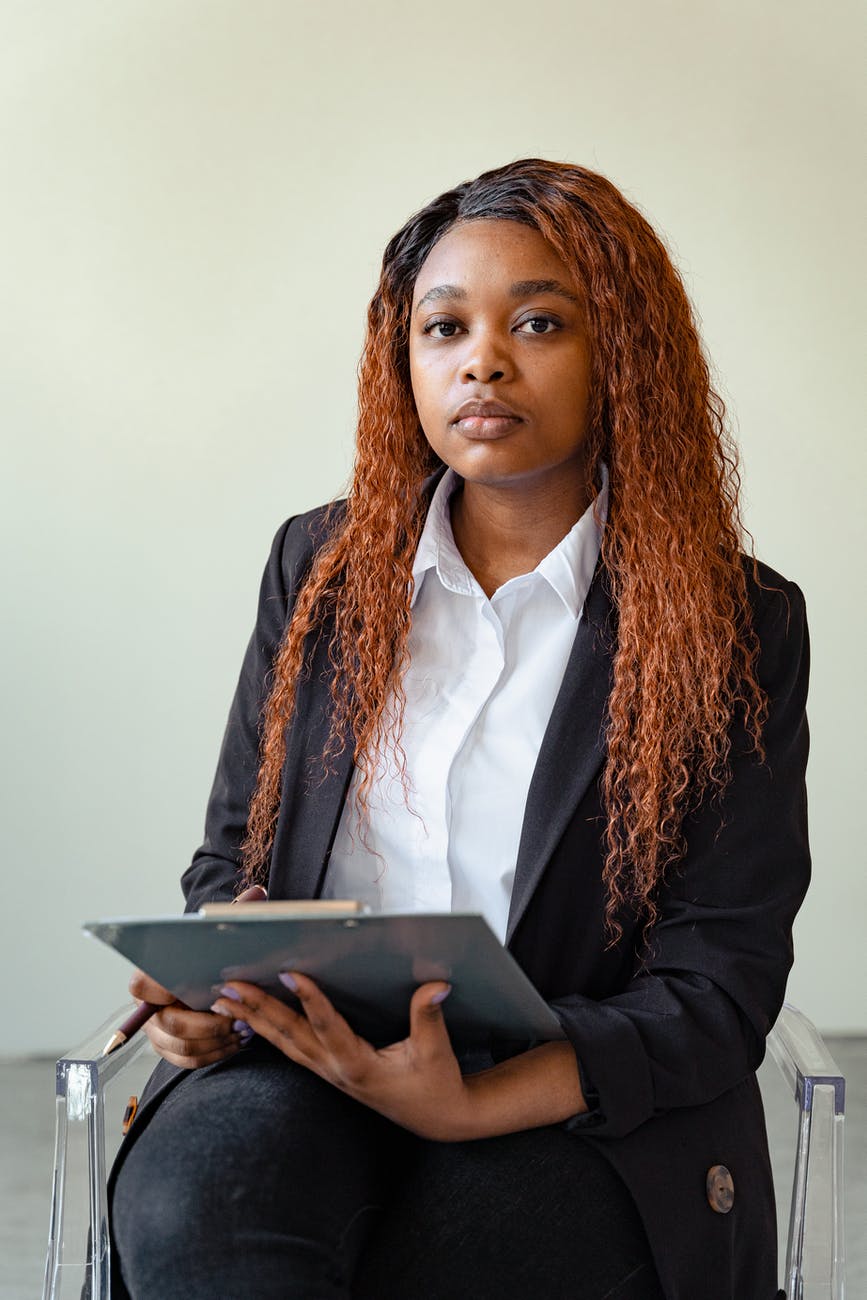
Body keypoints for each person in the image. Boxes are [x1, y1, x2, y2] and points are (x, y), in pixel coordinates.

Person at [108, 159, 809, 1300]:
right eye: (444, 326)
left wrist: (475, 1099)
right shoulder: (320, 567)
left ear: (621, 352)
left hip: (567, 1093)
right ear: (406, 360)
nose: (482, 358)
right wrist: (213, 992)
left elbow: (718, 983)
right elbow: (232, 860)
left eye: (539, 321)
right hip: (307, 1053)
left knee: (468, 1260)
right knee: (210, 1212)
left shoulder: (736, 621)